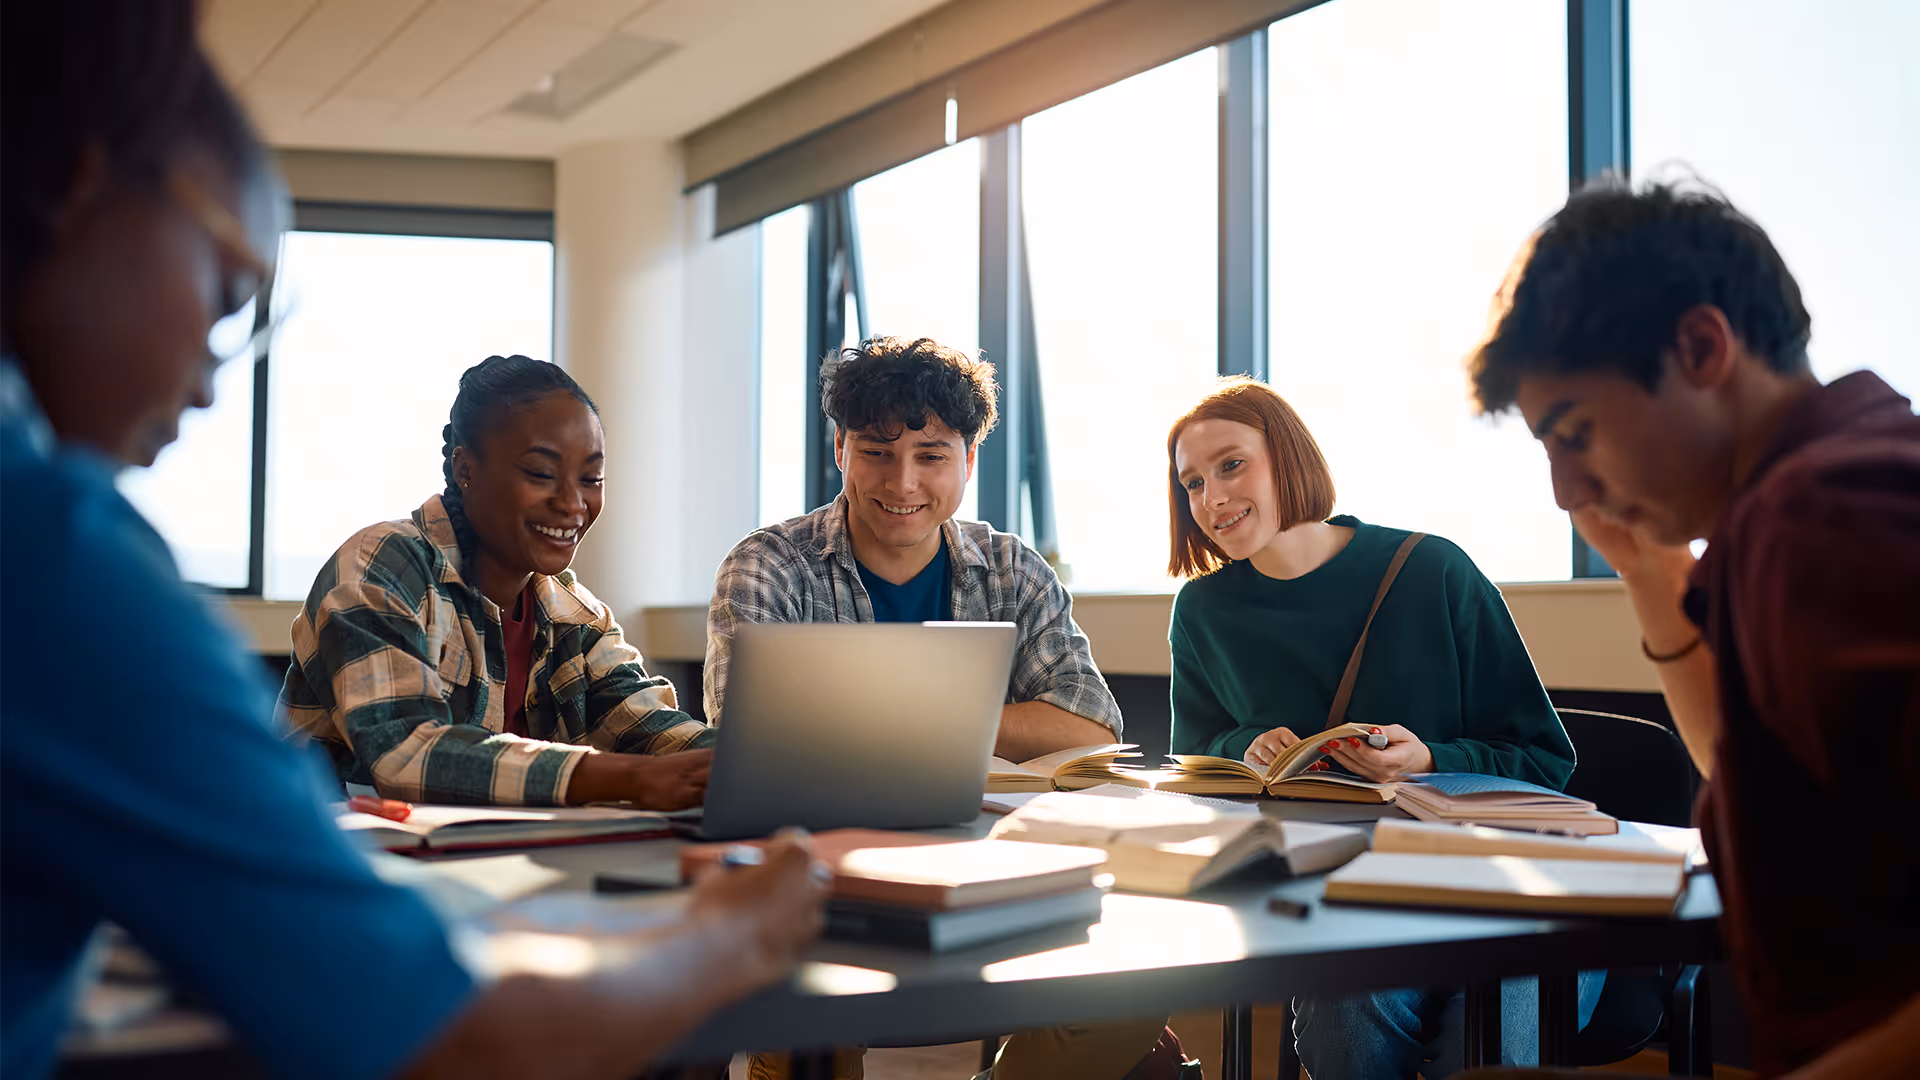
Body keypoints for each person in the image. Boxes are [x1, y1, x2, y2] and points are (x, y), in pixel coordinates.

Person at [0, 5, 826, 1079]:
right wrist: (728, 934)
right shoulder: (59, 566)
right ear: (83, 178)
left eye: (591, 475)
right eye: (225, 294)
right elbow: (453, 1032)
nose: (208, 380)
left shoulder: (571, 609)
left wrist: (755, 766)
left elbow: (649, 728)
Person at [1465, 176, 1919, 1079]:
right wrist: (1651, 573)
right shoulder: (1826, 487)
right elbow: (1751, 759)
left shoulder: (1821, 520)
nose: (1565, 493)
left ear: (1703, 348)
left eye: (1575, 433)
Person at [1166, 376, 1593, 1079]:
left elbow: (1543, 760)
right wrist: (1245, 748)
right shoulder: (1202, 612)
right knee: (1342, 1028)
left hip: (1513, 888)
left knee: (1493, 1049)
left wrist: (1429, 759)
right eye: (1192, 482)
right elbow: (1193, 762)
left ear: (1289, 459)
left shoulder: (1433, 569)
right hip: (1353, 896)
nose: (1211, 498)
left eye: (1231, 465)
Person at [279, 354, 714, 809]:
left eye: (591, 478)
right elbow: (406, 754)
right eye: (541, 474)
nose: (573, 504)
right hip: (334, 847)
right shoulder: (382, 567)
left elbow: (656, 732)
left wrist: (741, 760)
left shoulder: (576, 618)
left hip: (502, 851)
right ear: (465, 469)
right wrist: (624, 777)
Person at [705, 335, 1123, 761]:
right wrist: (969, 725)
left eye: (931, 457)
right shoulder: (767, 567)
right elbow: (746, 737)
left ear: (968, 461)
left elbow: (1091, 729)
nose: (902, 484)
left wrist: (895, 720)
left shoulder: (1012, 572)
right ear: (840, 449)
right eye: (876, 452)